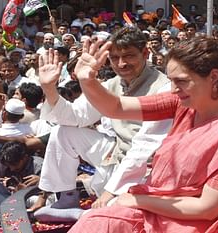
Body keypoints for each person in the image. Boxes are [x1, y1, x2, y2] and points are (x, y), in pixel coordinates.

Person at [64, 36, 218, 232]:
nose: (173, 89)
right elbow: (116, 107)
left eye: (181, 81)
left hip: (191, 224)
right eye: (171, 80)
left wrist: (137, 200)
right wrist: (88, 81)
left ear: (214, 77)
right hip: (156, 208)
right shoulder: (183, 104)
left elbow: (208, 208)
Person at [34, 27, 171, 214]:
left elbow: (146, 146)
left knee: (108, 212)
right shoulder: (111, 84)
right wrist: (49, 88)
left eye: (129, 56)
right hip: (116, 152)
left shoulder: (164, 88)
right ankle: (66, 198)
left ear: (145, 53)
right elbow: (74, 117)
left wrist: (109, 192)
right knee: (63, 132)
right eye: (115, 58)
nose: (121, 64)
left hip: (150, 165)